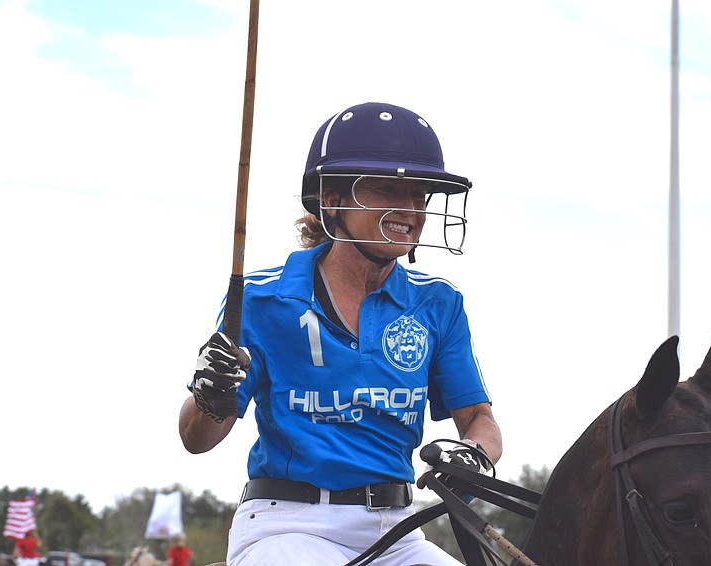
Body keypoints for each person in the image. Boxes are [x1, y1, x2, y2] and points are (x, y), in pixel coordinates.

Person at [179, 101, 502, 565]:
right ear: (332, 200)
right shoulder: (261, 299)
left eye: (419, 194)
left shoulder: (439, 304)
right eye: (389, 190)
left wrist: (473, 455)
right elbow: (197, 438)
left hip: (396, 530)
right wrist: (211, 397)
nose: (409, 210)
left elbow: (479, 421)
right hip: (285, 525)